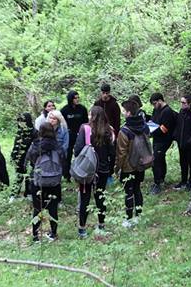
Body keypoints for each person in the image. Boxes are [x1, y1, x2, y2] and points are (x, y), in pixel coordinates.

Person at [72, 105, 116, 237]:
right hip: (103, 170)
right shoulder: (109, 130)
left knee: (84, 198)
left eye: (90, 114)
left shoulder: (85, 128)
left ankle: (82, 229)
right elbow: (112, 153)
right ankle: (101, 225)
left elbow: (77, 150)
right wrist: (110, 170)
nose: (88, 117)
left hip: (87, 170)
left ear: (94, 116)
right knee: (100, 197)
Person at [25, 123, 65, 242]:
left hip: (38, 181)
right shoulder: (58, 146)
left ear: (40, 132)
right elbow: (63, 160)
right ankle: (53, 233)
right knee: (53, 209)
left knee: (37, 209)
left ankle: (35, 236)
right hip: (54, 182)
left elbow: (29, 160)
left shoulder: (36, 146)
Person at [115, 97, 150, 227]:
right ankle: (139, 216)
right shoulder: (145, 127)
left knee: (128, 192)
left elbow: (121, 153)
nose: (123, 113)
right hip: (141, 164)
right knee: (137, 189)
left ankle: (128, 219)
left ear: (129, 113)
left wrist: (117, 168)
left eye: (124, 111)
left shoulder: (124, 131)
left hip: (128, 166)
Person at [149, 92, 178, 194]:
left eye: (155, 103)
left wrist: (153, 130)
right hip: (157, 138)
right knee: (160, 158)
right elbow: (153, 121)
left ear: (160, 101)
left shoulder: (167, 112)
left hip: (164, 140)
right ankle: (161, 178)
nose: (154, 106)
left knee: (156, 159)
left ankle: (157, 183)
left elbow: (164, 129)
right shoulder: (156, 110)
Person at [61, 90, 89, 180]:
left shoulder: (82, 109)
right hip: (69, 135)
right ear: (70, 99)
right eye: (75, 98)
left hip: (80, 135)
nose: (77, 99)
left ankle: (80, 173)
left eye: (78, 98)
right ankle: (66, 175)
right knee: (68, 155)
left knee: (81, 154)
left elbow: (86, 123)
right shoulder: (64, 110)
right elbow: (62, 124)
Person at [10, 112, 35, 198]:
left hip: (30, 157)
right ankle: (14, 194)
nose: (20, 123)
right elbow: (16, 145)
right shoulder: (20, 132)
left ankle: (29, 193)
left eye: (22, 121)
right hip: (19, 158)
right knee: (19, 176)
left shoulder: (34, 132)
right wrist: (13, 156)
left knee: (29, 177)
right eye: (19, 121)